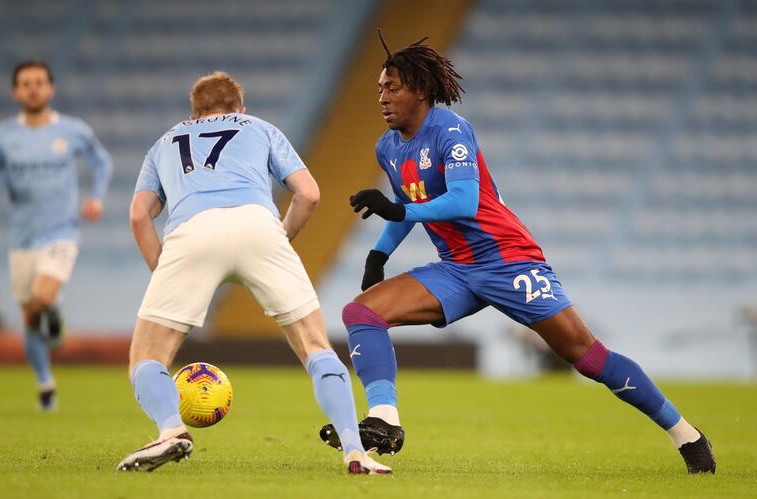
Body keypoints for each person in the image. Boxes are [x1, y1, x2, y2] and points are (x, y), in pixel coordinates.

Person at [319, 34, 715, 474]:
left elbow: (464, 201)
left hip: (508, 259)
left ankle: (687, 435)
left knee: (585, 355)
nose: (383, 98)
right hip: (457, 270)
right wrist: (379, 255)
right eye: (379, 89)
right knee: (362, 314)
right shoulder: (388, 146)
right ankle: (384, 419)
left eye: (392, 87)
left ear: (421, 90)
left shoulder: (451, 130)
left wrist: (398, 208)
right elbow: (409, 206)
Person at [116, 71, 391, 475]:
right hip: (258, 227)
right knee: (316, 348)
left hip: (191, 234)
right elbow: (309, 193)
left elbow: (140, 215)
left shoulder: (166, 142)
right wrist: (281, 237)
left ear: (193, 115)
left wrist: (164, 271)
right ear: (239, 109)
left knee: (147, 356)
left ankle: (171, 431)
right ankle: (354, 451)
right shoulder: (260, 128)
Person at [0, 59, 113, 411]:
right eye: (25, 83)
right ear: (15, 91)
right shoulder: (4, 135)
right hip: (21, 238)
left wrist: (96, 197)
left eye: (39, 82)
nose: (33, 88)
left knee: (45, 295)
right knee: (30, 317)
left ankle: (55, 310)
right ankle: (45, 384)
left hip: (62, 232)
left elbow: (102, 162)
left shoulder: (72, 130)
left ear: (51, 89)